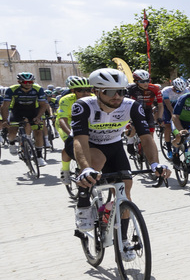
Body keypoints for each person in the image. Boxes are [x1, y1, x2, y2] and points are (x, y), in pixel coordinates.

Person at [72, 69, 169, 236]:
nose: (116, 96)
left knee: (124, 193)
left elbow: (146, 137)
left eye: (121, 91)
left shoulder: (131, 106)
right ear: (96, 91)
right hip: (88, 144)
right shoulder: (83, 105)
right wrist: (85, 168)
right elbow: (80, 139)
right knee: (95, 162)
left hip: (114, 145)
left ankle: (123, 239)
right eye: (109, 91)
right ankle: (83, 203)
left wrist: (154, 163)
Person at [1, 71, 51, 167]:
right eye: (25, 82)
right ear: (19, 82)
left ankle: (39, 157)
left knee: (38, 132)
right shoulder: (11, 90)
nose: (28, 84)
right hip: (17, 111)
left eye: (30, 82)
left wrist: (38, 117)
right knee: (12, 132)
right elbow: (5, 106)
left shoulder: (38, 89)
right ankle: (11, 143)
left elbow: (43, 105)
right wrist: (4, 120)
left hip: (33, 111)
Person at [55, 75, 94, 183]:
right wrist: (71, 135)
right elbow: (62, 119)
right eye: (81, 90)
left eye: (88, 90)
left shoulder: (93, 98)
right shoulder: (66, 100)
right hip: (67, 123)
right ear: (73, 90)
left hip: (84, 123)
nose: (85, 93)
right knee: (70, 145)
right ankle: (65, 170)